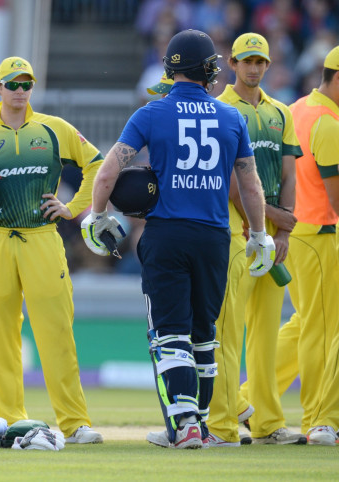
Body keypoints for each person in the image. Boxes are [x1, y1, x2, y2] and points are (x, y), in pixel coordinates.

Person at [85, 29, 273, 449]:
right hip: (214, 237)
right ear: (208, 69)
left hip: (167, 233)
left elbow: (109, 171)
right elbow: (250, 185)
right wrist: (259, 234)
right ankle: (199, 426)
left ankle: (185, 424)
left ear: (171, 69)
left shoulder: (151, 113)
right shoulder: (232, 117)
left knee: (169, 333)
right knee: (204, 333)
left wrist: (96, 215)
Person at [0, 56, 104, 445]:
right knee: (0, 334)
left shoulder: (53, 129)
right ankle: (9, 419)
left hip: (41, 237)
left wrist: (73, 207)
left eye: (26, 84)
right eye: (12, 84)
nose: (20, 91)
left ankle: (74, 422)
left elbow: (98, 165)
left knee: (56, 332)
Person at [206, 32, 305, 447]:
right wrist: (268, 224)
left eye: (260, 61)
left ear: (268, 64)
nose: (253, 68)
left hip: (272, 238)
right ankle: (223, 423)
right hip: (236, 234)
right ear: (233, 63)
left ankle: (266, 423)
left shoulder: (280, 111)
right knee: (229, 333)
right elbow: (231, 182)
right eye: (246, 60)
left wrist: (282, 233)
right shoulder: (220, 109)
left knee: (265, 336)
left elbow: (288, 175)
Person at [281, 45, 339, 446]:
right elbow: (337, 199)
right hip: (319, 235)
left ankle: (248, 398)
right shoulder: (330, 123)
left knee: (304, 324)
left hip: (294, 232)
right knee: (321, 330)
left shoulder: (298, 108)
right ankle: (320, 419)